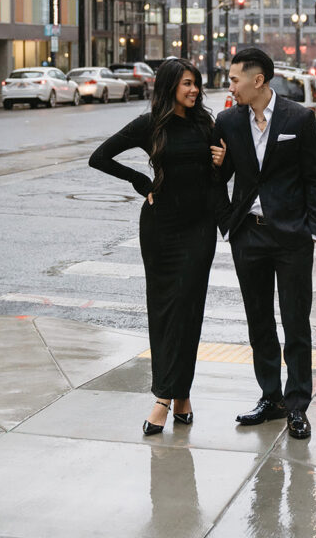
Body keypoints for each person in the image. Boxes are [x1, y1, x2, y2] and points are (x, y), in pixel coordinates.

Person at [88, 58, 221, 435]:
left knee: (188, 310)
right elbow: (99, 157)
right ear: (169, 88)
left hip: (199, 230)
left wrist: (224, 161)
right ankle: (174, 396)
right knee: (163, 311)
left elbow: (221, 177)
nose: (194, 90)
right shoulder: (151, 125)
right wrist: (140, 181)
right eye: (186, 84)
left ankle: (170, 395)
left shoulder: (207, 124)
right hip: (160, 229)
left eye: (196, 83)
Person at [211, 47, 316, 440]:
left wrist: (312, 229)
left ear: (257, 80)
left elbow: (315, 178)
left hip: (292, 236)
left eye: (234, 79)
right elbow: (219, 177)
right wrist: (228, 223)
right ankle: (271, 397)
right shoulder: (227, 121)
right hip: (249, 235)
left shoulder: (299, 118)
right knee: (259, 321)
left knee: (296, 322)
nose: (230, 85)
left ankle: (297, 406)